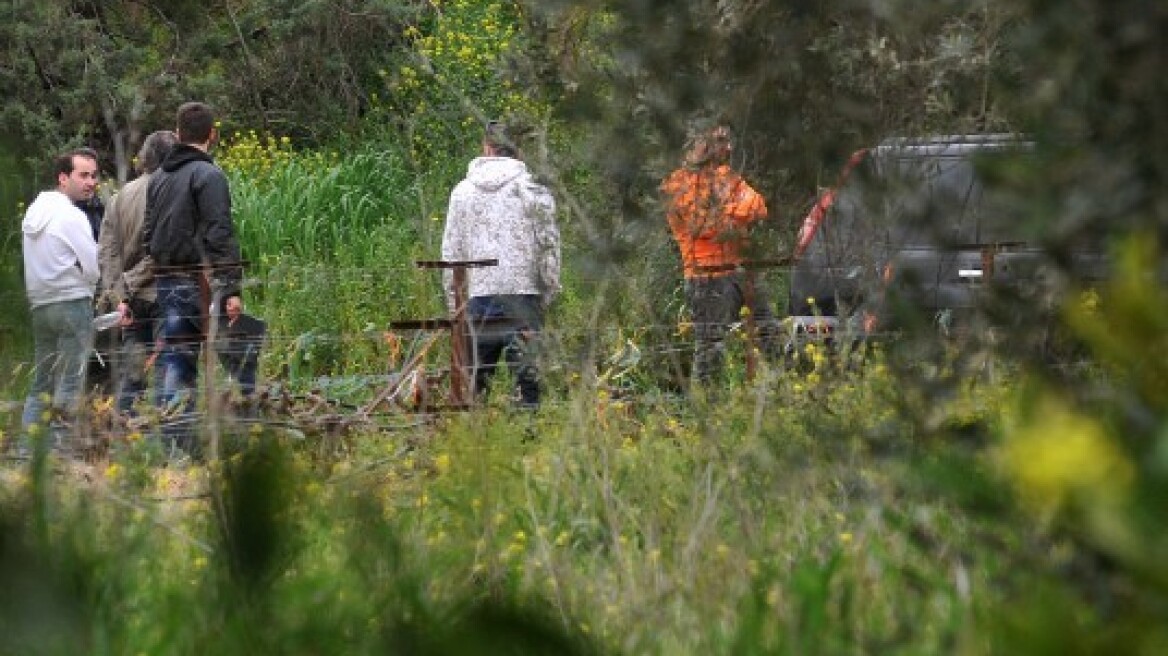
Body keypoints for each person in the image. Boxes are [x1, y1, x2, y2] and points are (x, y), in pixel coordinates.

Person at [142, 102, 242, 455]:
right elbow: (219, 233)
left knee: (173, 357)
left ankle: (167, 440)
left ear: (179, 133)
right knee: (186, 361)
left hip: (165, 280)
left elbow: (148, 234)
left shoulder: (158, 178)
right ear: (212, 134)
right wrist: (230, 287)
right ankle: (179, 447)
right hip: (193, 279)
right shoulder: (208, 176)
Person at [441, 120, 560, 407]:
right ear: (517, 150)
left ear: (486, 147)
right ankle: (530, 444)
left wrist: (453, 302)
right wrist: (548, 292)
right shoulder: (535, 190)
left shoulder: (462, 192)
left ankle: (473, 443)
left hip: (478, 297)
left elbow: (451, 253)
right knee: (528, 388)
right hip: (524, 296)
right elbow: (548, 246)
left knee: (473, 388)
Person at [660, 123, 782, 385]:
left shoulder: (729, 177)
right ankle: (707, 413)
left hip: (743, 272)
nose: (728, 147)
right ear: (701, 143)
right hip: (706, 277)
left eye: (728, 141)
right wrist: (736, 209)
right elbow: (705, 226)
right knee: (711, 349)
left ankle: (779, 398)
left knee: (769, 332)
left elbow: (759, 207)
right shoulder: (677, 184)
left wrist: (727, 209)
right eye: (721, 141)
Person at [19, 148, 101, 445]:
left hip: (40, 305)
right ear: (63, 178)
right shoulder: (71, 215)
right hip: (71, 303)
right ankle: (59, 452)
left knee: (42, 381)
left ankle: (27, 451)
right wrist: (88, 285)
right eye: (83, 175)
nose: (90, 182)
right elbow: (93, 266)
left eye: (94, 175)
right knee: (70, 380)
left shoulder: (33, 213)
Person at [97, 130, 179, 414]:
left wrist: (119, 295)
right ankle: (161, 442)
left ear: (145, 158)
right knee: (166, 373)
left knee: (132, 376)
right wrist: (129, 285)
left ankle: (120, 435)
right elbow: (164, 252)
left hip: (130, 303)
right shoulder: (171, 193)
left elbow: (107, 253)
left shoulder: (120, 197)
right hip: (161, 296)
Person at [215, 295, 265, 398]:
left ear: (237, 309)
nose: (226, 308)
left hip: (246, 361)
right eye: (227, 305)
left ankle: (250, 403)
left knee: (248, 389)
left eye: (229, 305)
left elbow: (261, 330)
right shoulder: (225, 324)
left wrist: (254, 350)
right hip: (232, 362)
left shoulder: (249, 321)